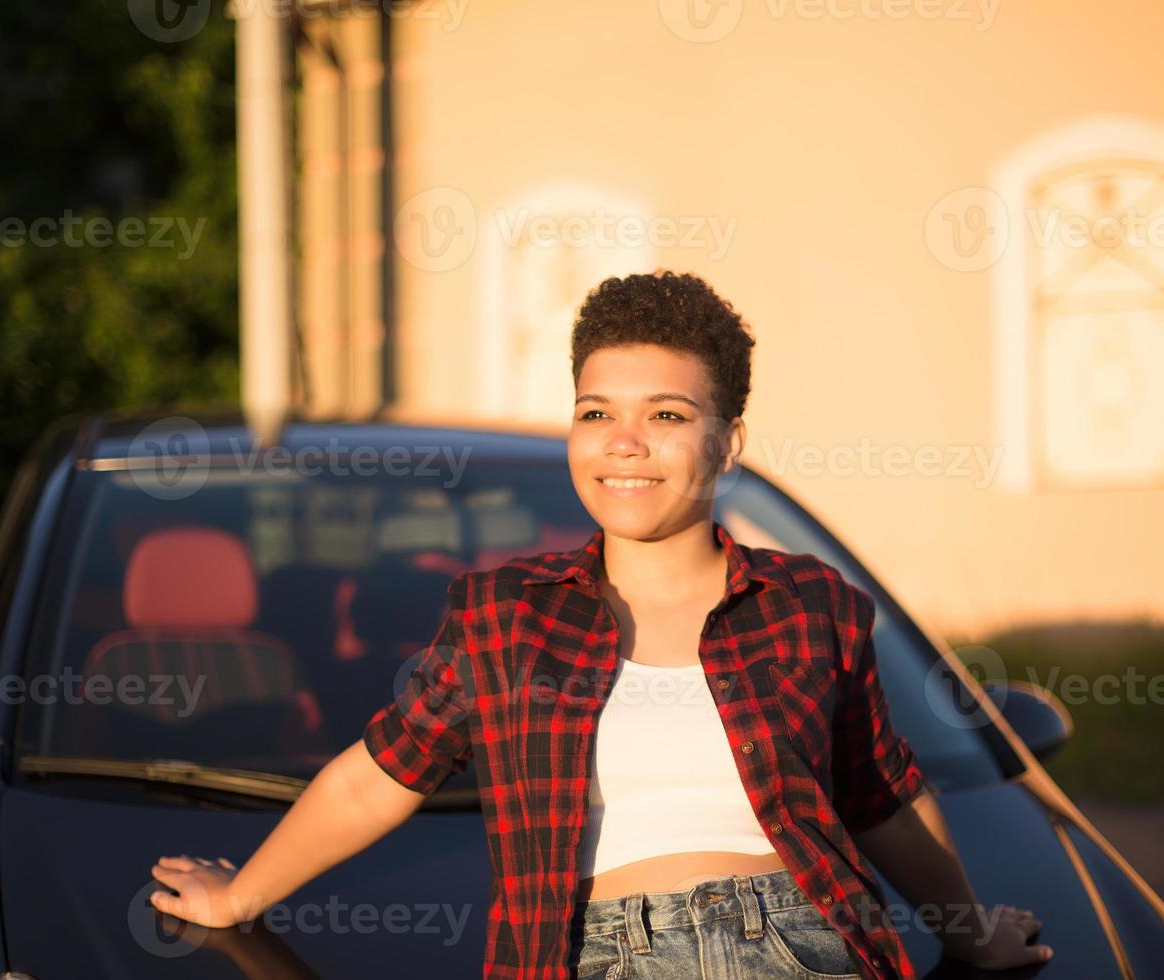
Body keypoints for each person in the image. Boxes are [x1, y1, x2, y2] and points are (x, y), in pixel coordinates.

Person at [148, 271, 1054, 978]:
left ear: (727, 441)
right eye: (596, 413)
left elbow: (882, 799)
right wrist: (243, 896)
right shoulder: (505, 614)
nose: (625, 441)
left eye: (666, 414)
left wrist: (967, 934)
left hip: (806, 942)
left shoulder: (811, 605)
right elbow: (380, 774)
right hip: (598, 954)